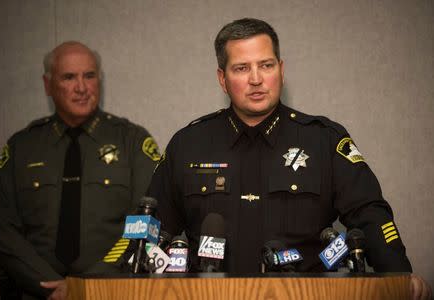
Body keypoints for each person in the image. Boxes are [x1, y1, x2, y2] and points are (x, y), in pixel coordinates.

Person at [147, 18, 431, 299]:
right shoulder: (188, 145)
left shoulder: (323, 140)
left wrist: (398, 273)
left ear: (281, 71)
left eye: (266, 65)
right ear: (222, 79)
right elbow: (149, 230)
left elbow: (370, 214)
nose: (256, 79)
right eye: (242, 68)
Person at [0, 41, 160, 299]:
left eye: (89, 76)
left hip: (109, 291)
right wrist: (46, 284)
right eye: (69, 77)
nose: (81, 87)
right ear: (48, 85)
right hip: (34, 292)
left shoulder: (133, 142)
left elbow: (145, 223)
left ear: (99, 81)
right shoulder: (21, 148)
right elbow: (5, 232)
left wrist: (88, 284)